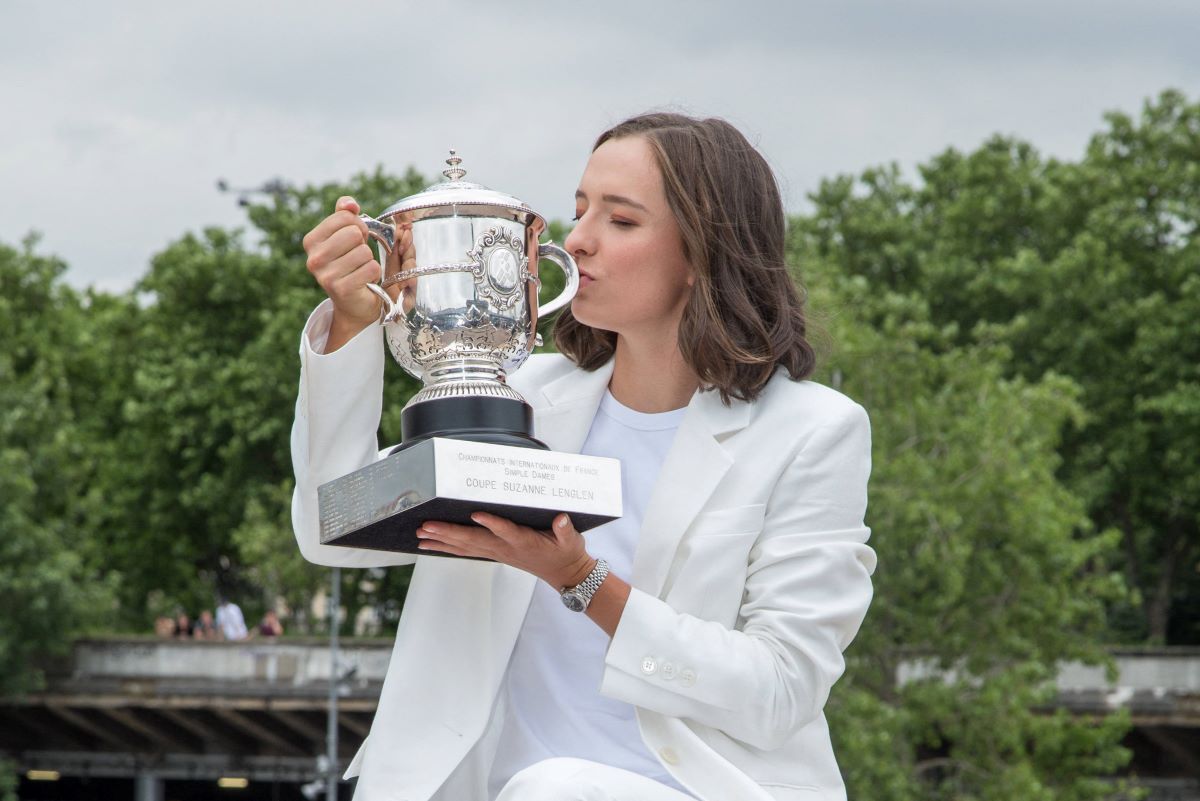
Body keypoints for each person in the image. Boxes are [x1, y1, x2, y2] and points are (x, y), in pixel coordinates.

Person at [292, 113, 876, 801]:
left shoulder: (813, 430)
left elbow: (780, 690)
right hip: (486, 789)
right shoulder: (518, 399)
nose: (579, 241)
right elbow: (331, 529)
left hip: (690, 789)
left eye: (621, 221)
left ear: (701, 254)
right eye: (578, 211)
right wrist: (354, 326)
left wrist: (583, 580)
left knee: (555, 788)